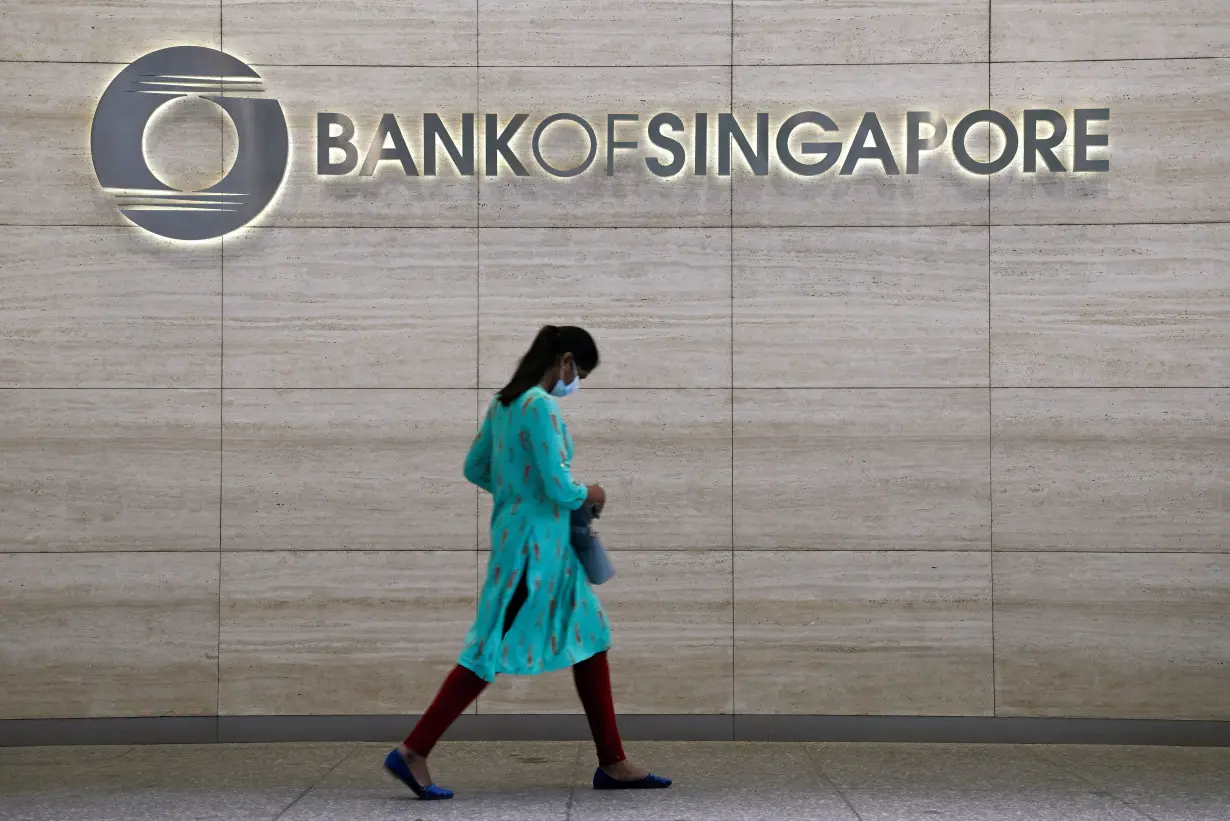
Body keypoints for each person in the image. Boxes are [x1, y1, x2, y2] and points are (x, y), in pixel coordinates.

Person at [384, 325, 672, 800]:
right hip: (533, 559)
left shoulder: (502, 405)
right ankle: (414, 750)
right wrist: (593, 493)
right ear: (563, 361)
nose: (575, 381)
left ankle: (614, 762)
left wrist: (518, 497)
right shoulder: (540, 406)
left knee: (590, 638)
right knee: (487, 649)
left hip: (541, 552)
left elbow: (475, 468)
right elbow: (561, 488)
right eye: (578, 371)